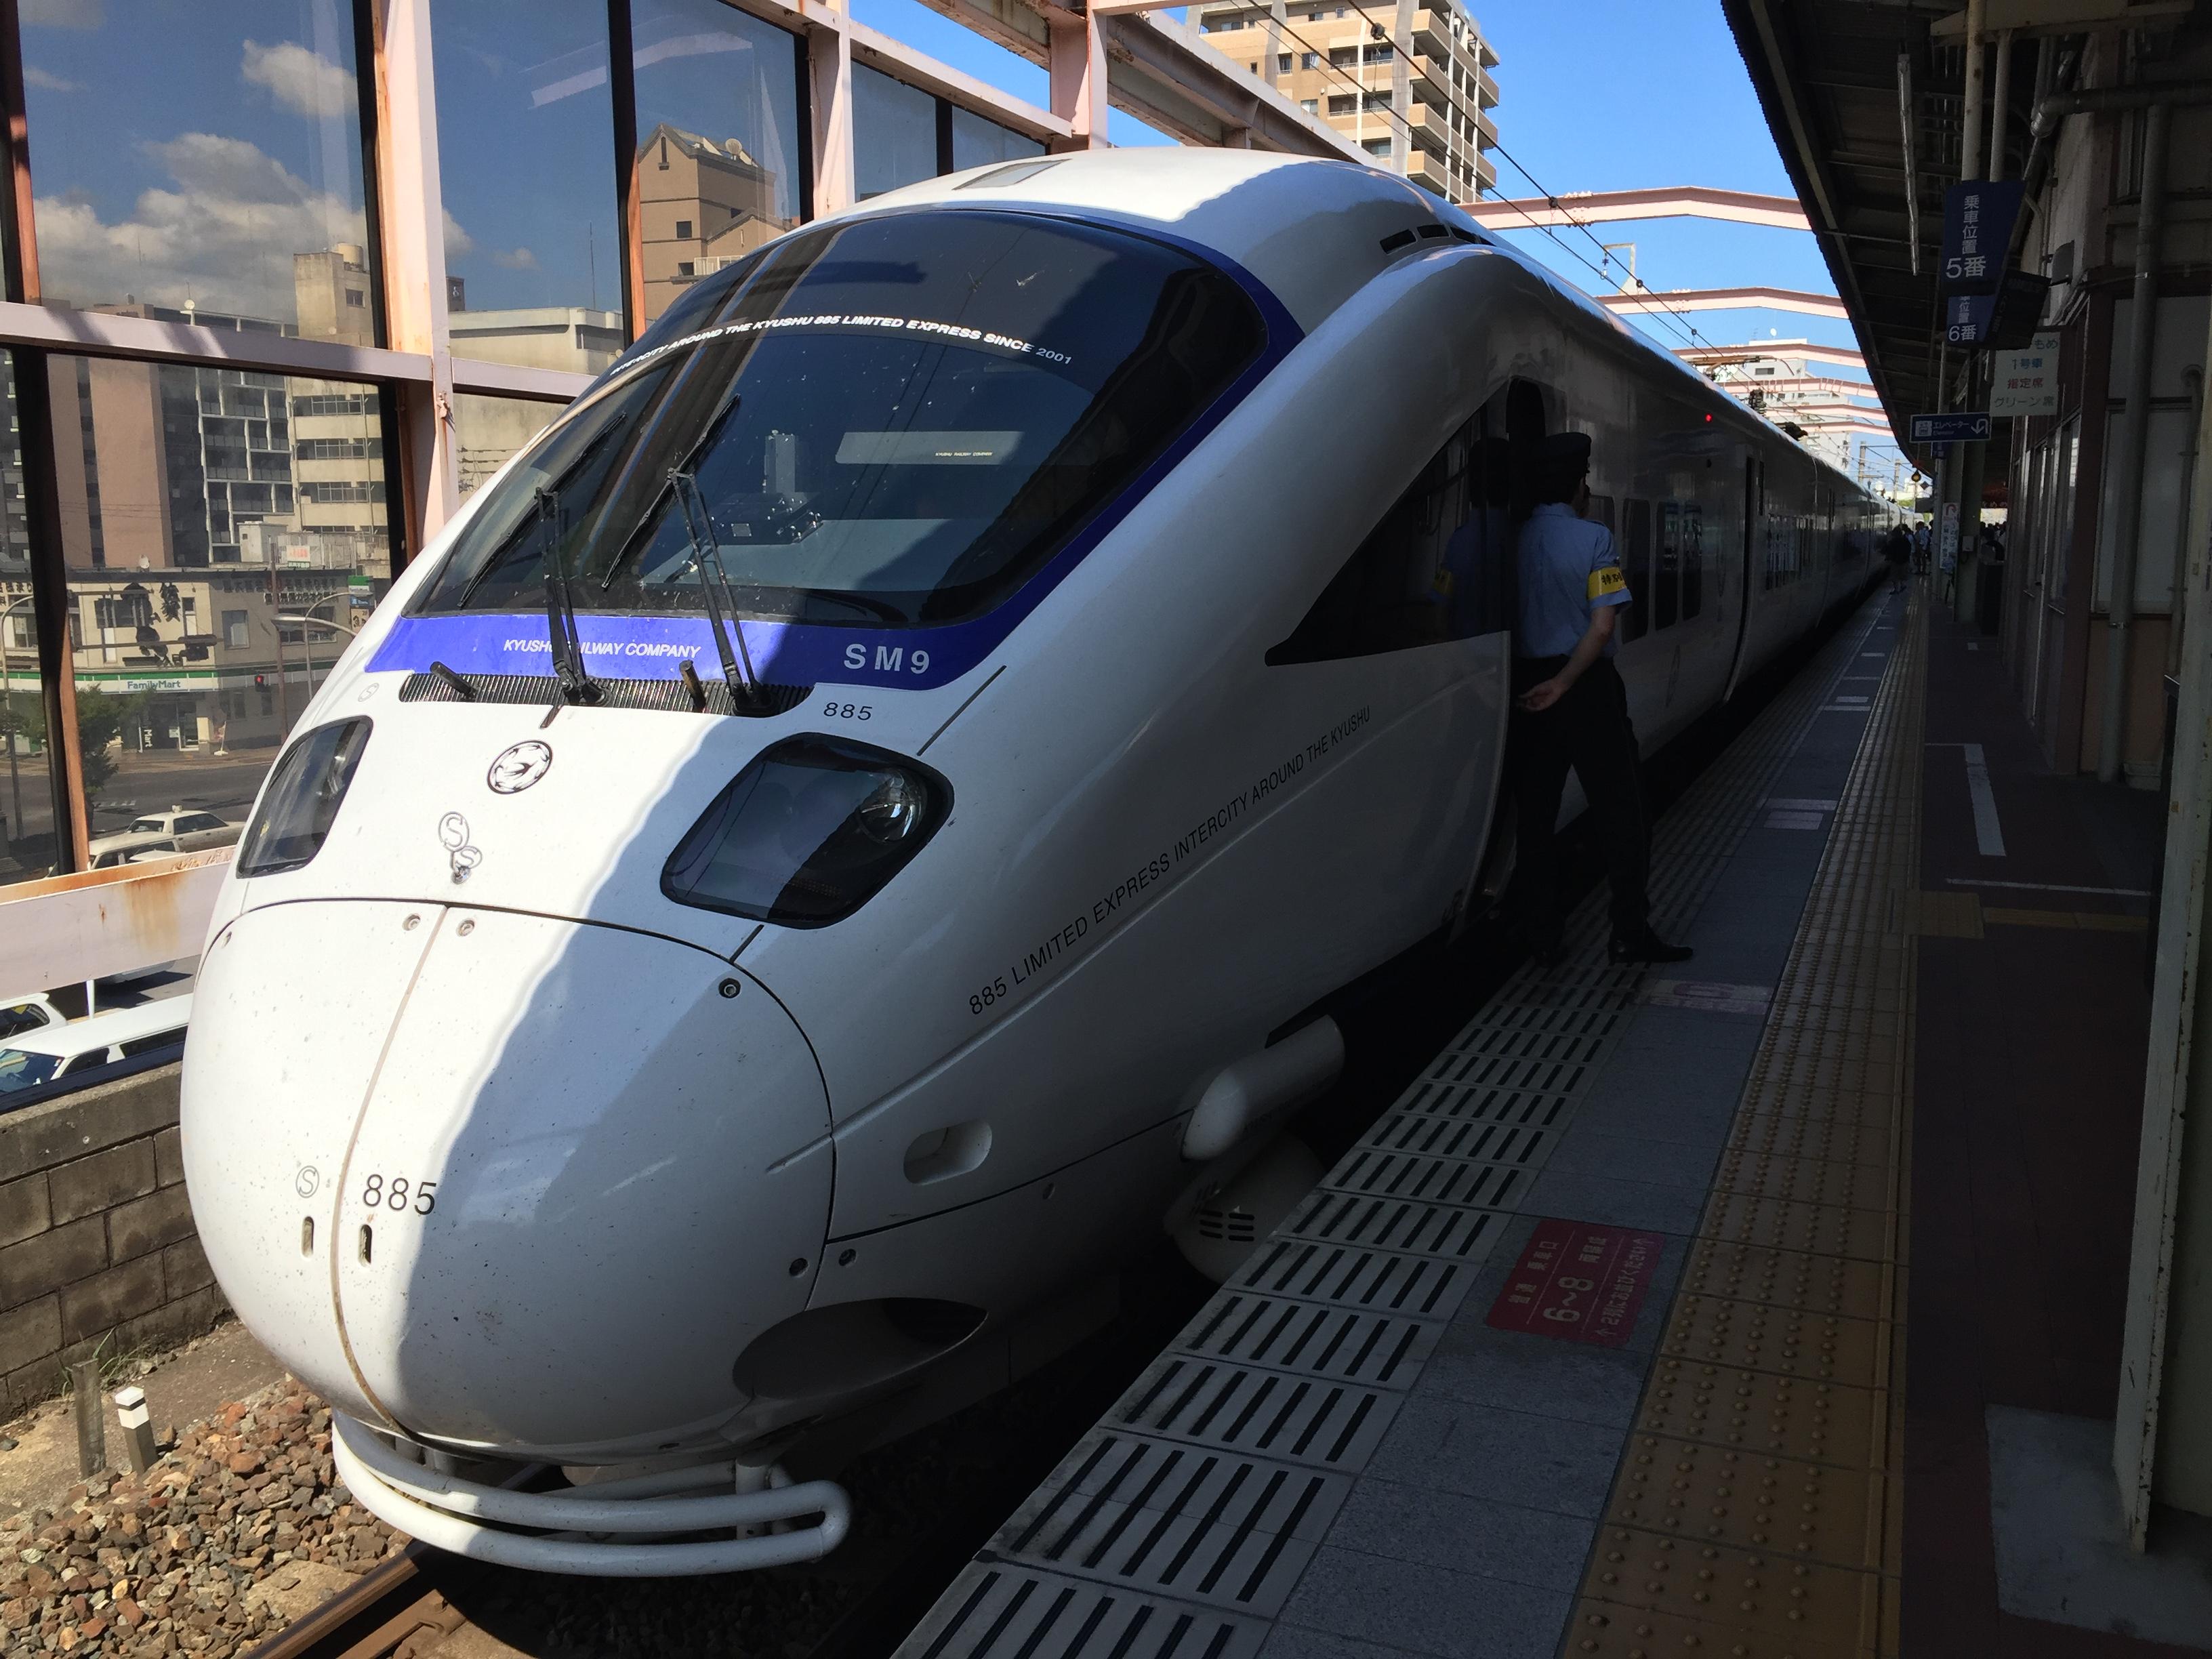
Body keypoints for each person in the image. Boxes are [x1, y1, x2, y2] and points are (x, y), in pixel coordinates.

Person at [1508, 432, 1692, 967]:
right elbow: (1604, 624)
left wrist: (1545, 682)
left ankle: (1541, 934)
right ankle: (1629, 933)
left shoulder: (1512, 539)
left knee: (1535, 816)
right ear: (1577, 487)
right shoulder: (1594, 539)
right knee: (1622, 812)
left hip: (1526, 687)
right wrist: (1566, 682)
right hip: (1585, 688)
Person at [1883, 521, 1912, 594]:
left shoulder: (1893, 542)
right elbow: (1909, 549)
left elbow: (1887, 550)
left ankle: (1897, 589)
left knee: (1895, 576)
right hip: (1904, 561)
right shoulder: (1905, 540)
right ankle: (1902, 586)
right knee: (1902, 575)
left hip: (1895, 561)